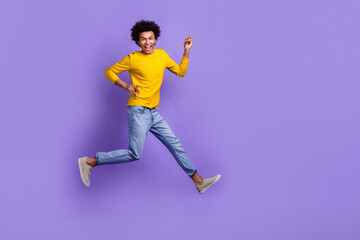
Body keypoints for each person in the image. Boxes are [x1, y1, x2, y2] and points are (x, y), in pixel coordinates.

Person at [78, 19, 221, 194]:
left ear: (155, 39)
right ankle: (90, 162)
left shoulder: (161, 55)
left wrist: (186, 51)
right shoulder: (133, 58)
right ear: (138, 42)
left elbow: (180, 72)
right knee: (135, 153)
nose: (147, 42)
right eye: (143, 39)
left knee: (175, 145)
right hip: (137, 111)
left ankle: (199, 181)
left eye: (150, 38)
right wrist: (126, 85)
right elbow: (109, 71)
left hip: (153, 113)